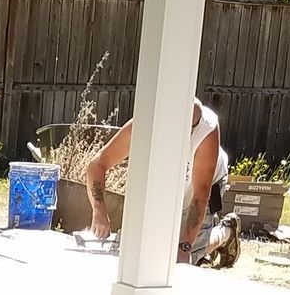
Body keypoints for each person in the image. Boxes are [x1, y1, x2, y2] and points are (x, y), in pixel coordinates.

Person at [83, 95, 229, 259]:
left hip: (204, 185)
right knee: (131, 251)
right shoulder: (143, 126)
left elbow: (201, 194)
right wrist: (99, 211)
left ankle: (225, 232)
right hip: (164, 187)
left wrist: (185, 247)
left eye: (190, 129)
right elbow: (97, 164)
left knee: (186, 256)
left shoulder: (207, 130)